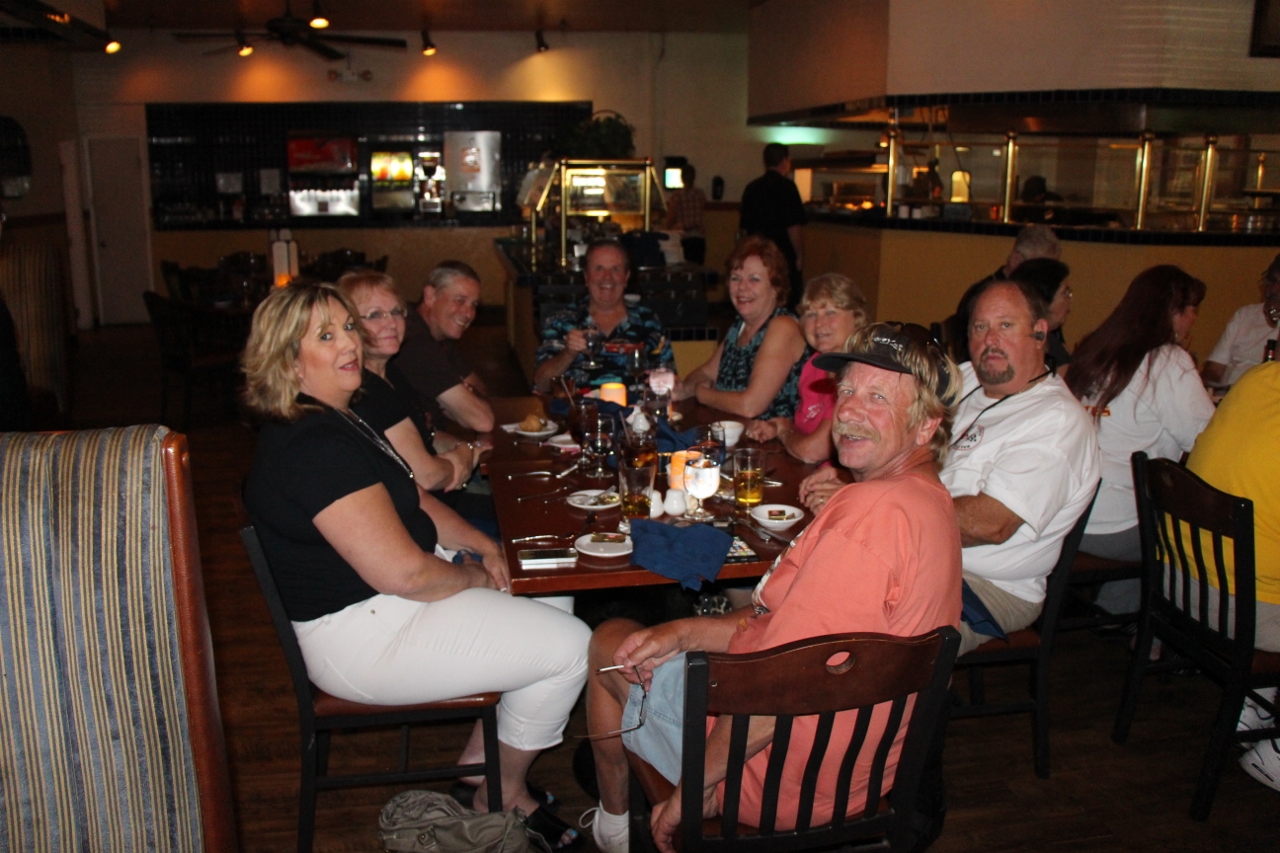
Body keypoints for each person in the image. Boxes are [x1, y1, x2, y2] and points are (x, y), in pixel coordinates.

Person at [581, 322, 964, 853]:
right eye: (848, 390)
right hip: (858, 770)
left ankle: (614, 832)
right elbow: (788, 625)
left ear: (926, 426)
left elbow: (782, 686)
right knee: (649, 638)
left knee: (607, 644)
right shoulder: (930, 501)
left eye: (878, 397)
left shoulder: (867, 516)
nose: (849, 410)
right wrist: (682, 633)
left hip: (780, 776)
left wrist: (695, 792)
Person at [240, 281, 591, 850]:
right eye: (326, 336)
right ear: (287, 359)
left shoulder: (340, 416)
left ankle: (481, 764)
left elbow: (418, 500)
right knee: (572, 647)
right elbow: (404, 574)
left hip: (391, 602)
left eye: (347, 327)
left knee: (548, 588)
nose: (350, 342)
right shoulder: (310, 445)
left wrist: (488, 547)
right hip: (363, 635)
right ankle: (501, 794)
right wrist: (477, 575)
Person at [802, 279, 1099, 655]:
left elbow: (992, 524)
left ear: (1041, 332)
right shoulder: (968, 378)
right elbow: (895, 433)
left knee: (855, 641)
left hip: (983, 584)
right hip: (911, 547)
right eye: (979, 327)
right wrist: (849, 475)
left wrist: (863, 500)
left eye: (1005, 325)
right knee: (809, 588)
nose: (990, 339)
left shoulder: (1057, 422)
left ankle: (896, 708)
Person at [1066, 266, 1215, 615]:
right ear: (1174, 313)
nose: (1194, 320)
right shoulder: (1166, 361)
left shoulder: (1096, 348)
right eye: (1192, 310)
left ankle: (1115, 612)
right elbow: (1206, 440)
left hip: (1067, 510)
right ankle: (1161, 636)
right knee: (1198, 535)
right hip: (1110, 524)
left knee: (1149, 504)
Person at [1184, 361, 1280, 791]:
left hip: (1183, 580)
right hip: (1241, 608)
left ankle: (1254, 705)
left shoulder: (1261, 377)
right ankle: (1274, 753)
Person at [337, 271, 496, 532]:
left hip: (433, 500)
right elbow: (427, 476)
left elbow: (427, 434)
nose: (391, 323)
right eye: (375, 315)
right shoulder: (365, 388)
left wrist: (462, 447)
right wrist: (462, 457)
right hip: (413, 521)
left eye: (397, 312)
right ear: (348, 325)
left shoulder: (391, 372)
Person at [674, 236, 808, 419]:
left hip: (771, 444)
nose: (742, 288)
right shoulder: (740, 326)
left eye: (754, 279)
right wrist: (683, 390)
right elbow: (705, 372)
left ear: (775, 287)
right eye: (735, 278)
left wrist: (703, 394)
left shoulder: (783, 326)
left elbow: (749, 406)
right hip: (735, 437)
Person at [744, 273, 869, 463]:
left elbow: (813, 451)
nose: (819, 323)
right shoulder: (814, 365)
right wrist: (776, 428)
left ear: (857, 318)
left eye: (830, 312)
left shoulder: (859, 374)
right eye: (811, 314)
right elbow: (803, 431)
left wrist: (784, 430)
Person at [533, 240, 673, 392]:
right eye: (599, 268)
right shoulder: (561, 321)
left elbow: (668, 380)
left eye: (615, 269)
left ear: (626, 277)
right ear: (586, 277)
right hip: (579, 413)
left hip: (635, 413)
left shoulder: (648, 321)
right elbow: (541, 384)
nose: (607, 277)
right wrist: (568, 353)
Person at [394, 261, 495, 433]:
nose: (469, 313)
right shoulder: (414, 342)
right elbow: (482, 421)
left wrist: (465, 398)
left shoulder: (439, 335)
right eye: (460, 301)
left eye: (474, 305)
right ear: (430, 296)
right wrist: (464, 401)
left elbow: (481, 389)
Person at [943, 224, 1062, 363]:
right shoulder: (981, 297)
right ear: (1016, 260)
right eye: (1042, 270)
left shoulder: (1040, 298)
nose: (1050, 280)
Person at [739, 142, 806, 303]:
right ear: (784, 161)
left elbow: (743, 230)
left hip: (757, 254)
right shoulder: (788, 188)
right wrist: (800, 255)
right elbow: (794, 227)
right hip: (782, 256)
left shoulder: (751, 188)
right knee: (785, 300)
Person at [1201, 254, 1280, 389]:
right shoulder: (1245, 315)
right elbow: (1213, 370)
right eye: (1271, 281)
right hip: (1230, 395)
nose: (1273, 289)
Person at [1007, 258, 1073, 370]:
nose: (1070, 299)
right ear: (1043, 299)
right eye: (1065, 293)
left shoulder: (1052, 342)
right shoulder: (1022, 347)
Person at [663, 164, 707, 265]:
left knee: (686, 268)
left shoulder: (677, 196)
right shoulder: (700, 194)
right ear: (694, 177)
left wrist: (665, 229)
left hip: (685, 238)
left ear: (682, 178)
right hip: (699, 237)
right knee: (698, 268)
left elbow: (671, 217)